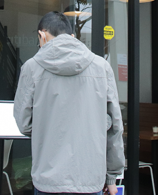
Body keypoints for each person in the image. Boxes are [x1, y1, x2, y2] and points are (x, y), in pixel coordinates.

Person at [14, 11, 125, 195]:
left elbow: (24, 124)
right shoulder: (102, 67)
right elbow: (115, 127)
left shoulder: (31, 68)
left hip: (48, 180)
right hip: (90, 179)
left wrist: (47, 128)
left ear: (41, 35)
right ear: (72, 37)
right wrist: (112, 177)